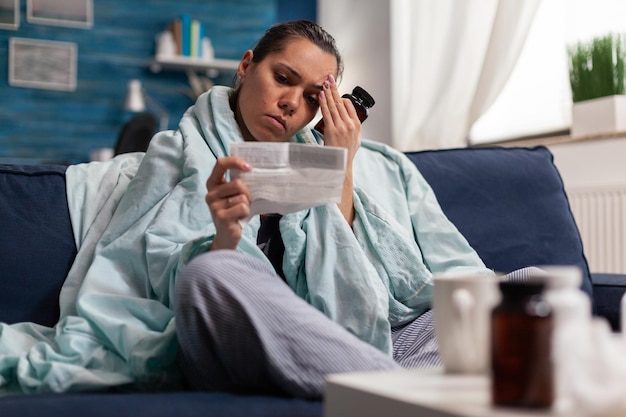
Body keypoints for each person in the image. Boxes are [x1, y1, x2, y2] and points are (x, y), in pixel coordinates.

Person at [0, 20, 529, 396]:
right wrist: (226, 236)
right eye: (282, 77)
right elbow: (139, 267)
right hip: (232, 334)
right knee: (213, 274)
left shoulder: (353, 163)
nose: (290, 102)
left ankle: (386, 385)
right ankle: (398, 391)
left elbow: (367, 298)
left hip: (355, 342)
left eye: (311, 95)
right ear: (247, 66)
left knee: (523, 286)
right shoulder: (172, 151)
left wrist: (339, 169)